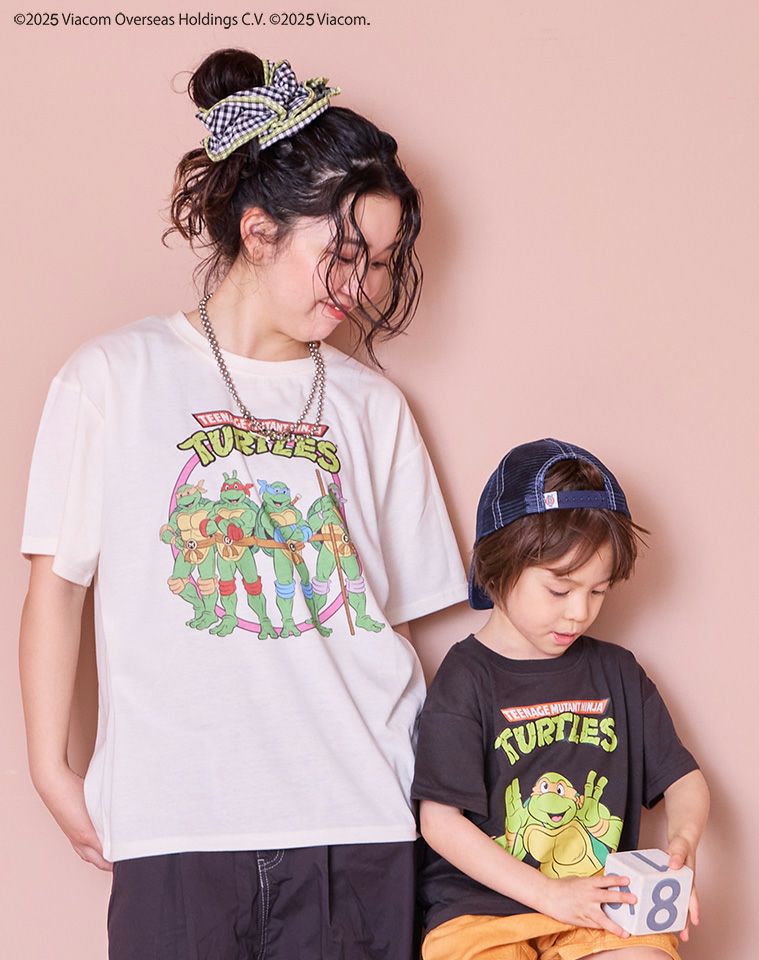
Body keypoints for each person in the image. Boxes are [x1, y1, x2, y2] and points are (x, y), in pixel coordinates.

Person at [18, 48, 467, 960]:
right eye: (342, 256)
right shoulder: (112, 378)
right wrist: (47, 768)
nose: (361, 288)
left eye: (380, 264)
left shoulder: (373, 406)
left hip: (360, 816)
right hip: (178, 816)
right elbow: (56, 588)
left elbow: (409, 623)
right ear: (260, 232)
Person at [411, 438, 710, 960]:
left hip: (599, 909)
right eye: (559, 590)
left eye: (598, 592)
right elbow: (439, 821)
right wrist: (548, 894)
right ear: (498, 567)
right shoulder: (466, 677)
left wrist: (682, 844)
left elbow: (685, 781)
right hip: (482, 917)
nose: (579, 613)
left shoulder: (617, 672)